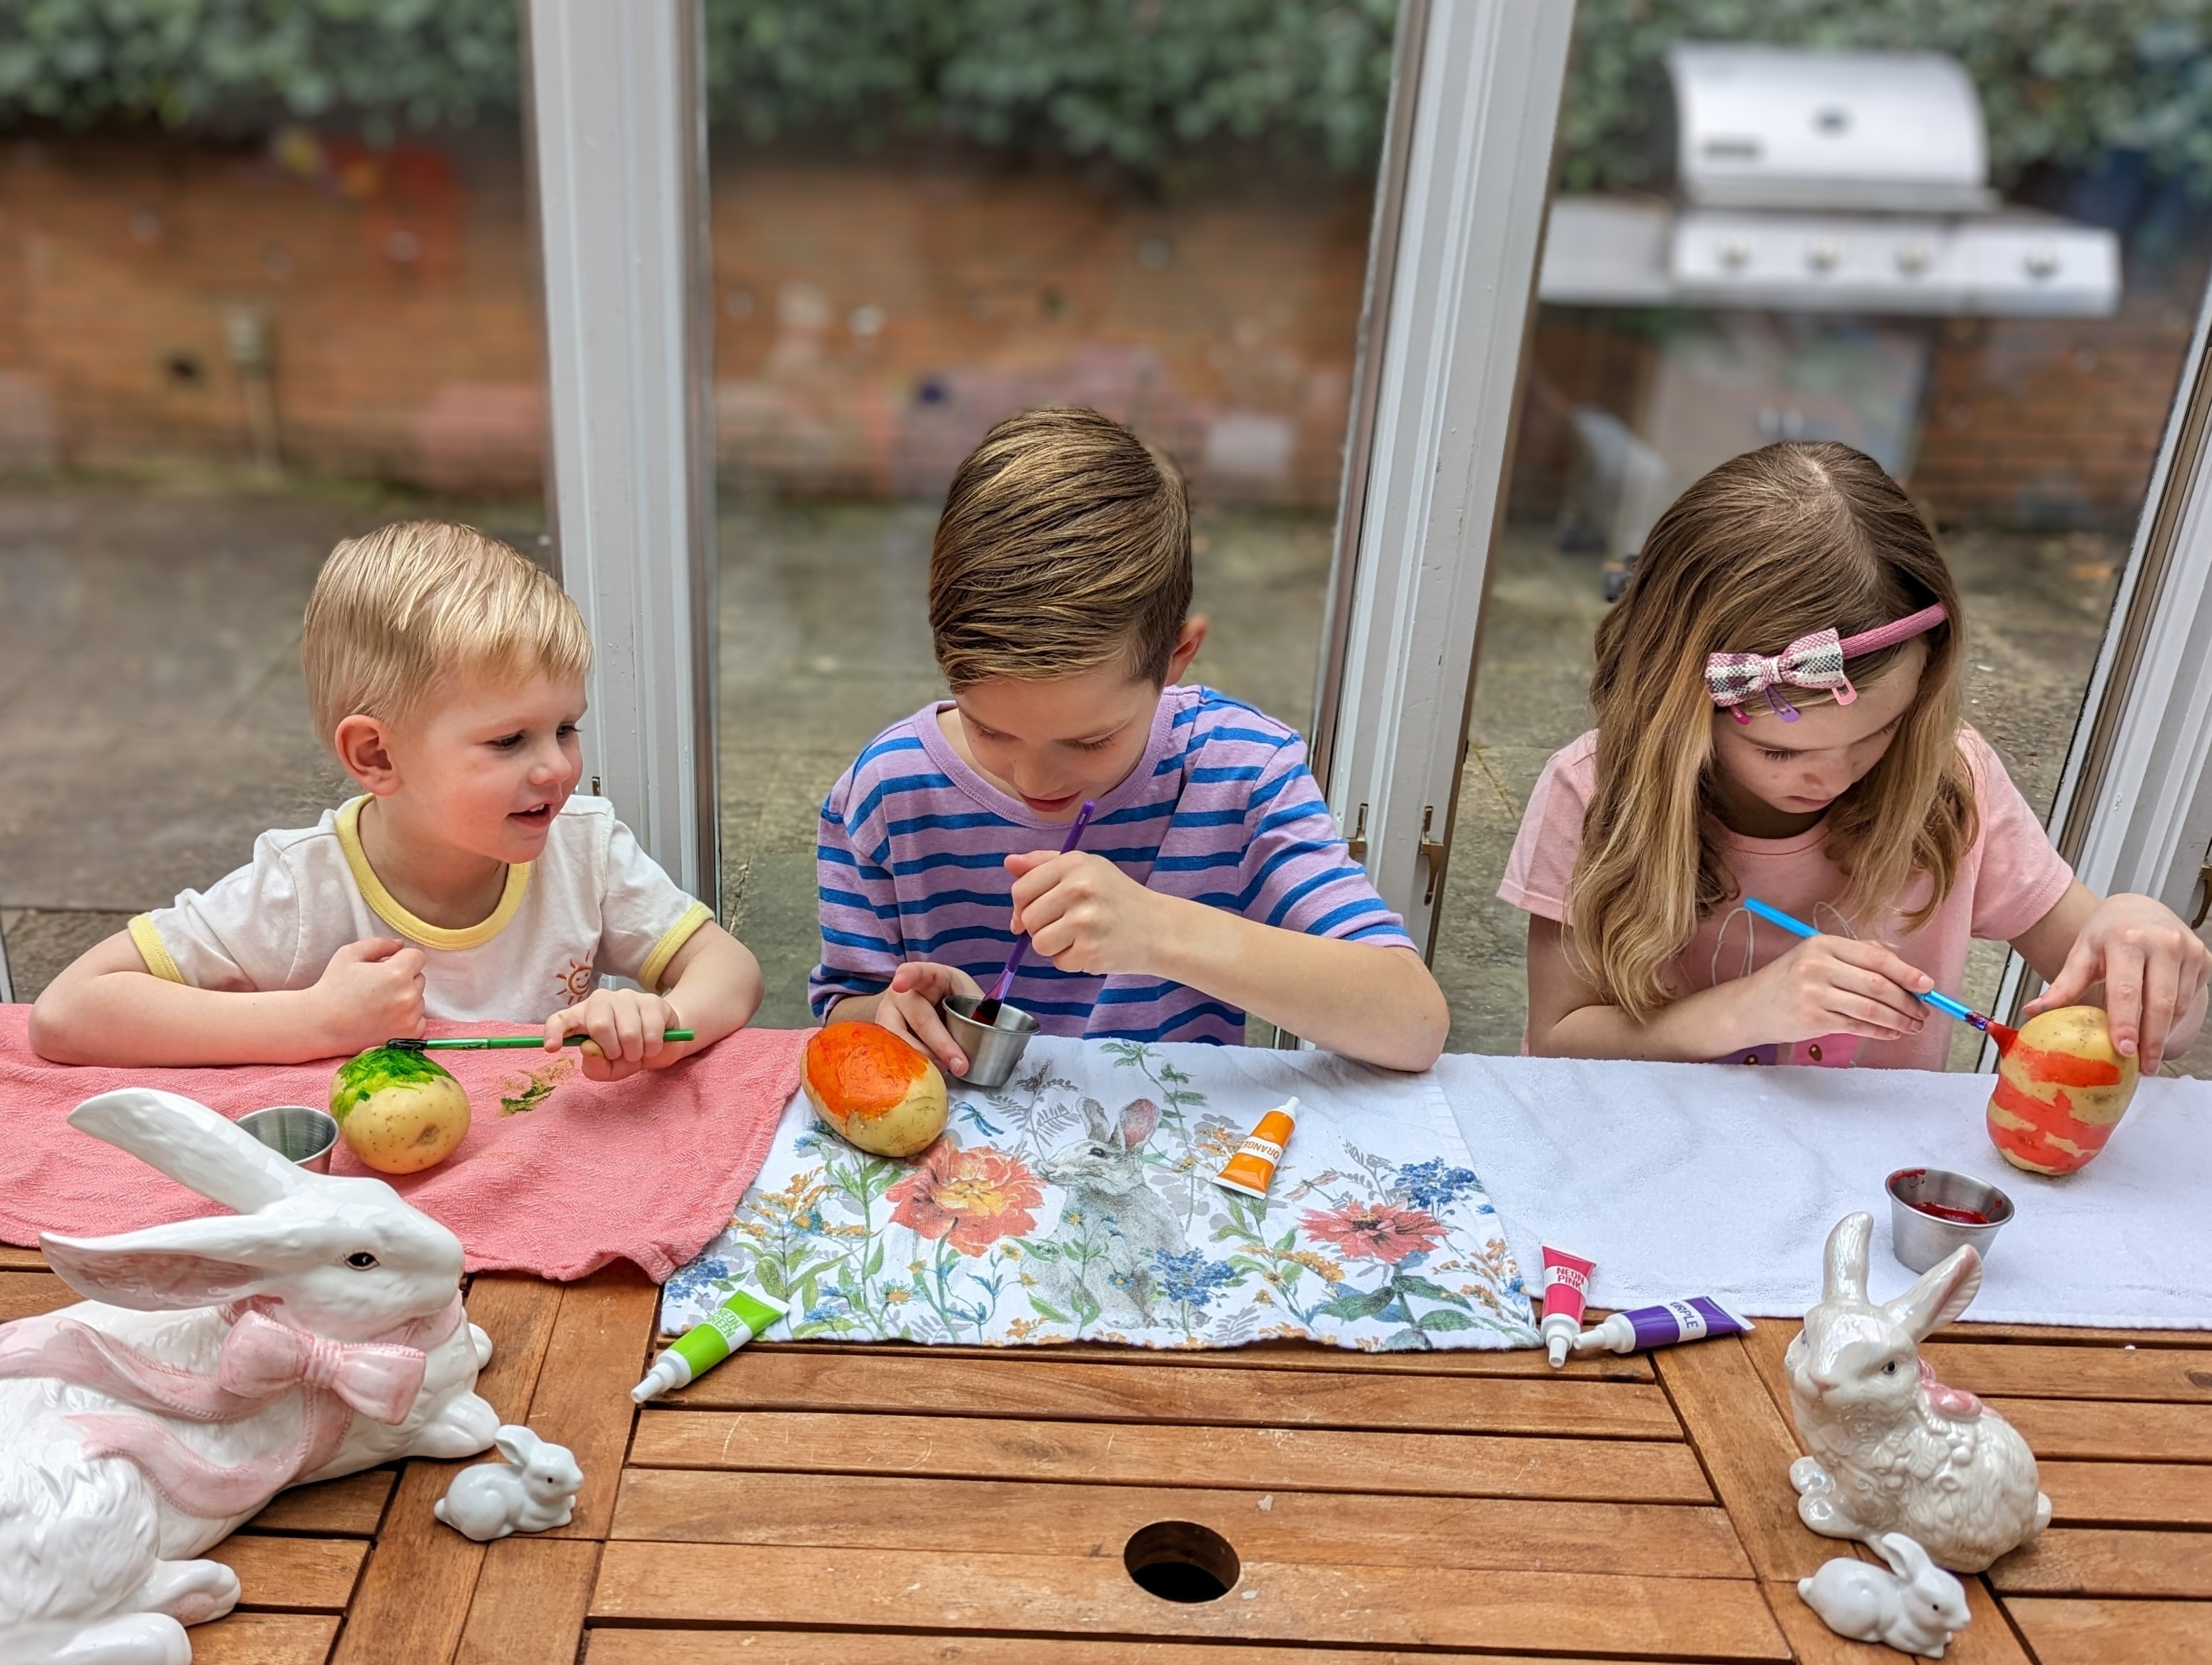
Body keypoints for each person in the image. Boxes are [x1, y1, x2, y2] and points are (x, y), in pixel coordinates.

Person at [1501, 441, 2209, 1070]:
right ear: (1675, 705)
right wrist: (1739, 1011)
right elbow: (1560, 1038)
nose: (1833, 775)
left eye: (1880, 731)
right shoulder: (1593, 791)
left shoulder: (1947, 784)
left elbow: (2149, 1030)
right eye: (1777, 748)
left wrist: (2144, 957)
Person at [812, 406, 1449, 1073]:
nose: (1035, 780)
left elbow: (1411, 1023)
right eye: (990, 728)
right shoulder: (887, 794)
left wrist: (1161, 933)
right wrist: (898, 1012)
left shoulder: (1241, 773)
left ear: (1177, 657)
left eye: (1090, 741)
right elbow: (843, 1008)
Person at [31, 521, 763, 1079]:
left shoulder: (584, 848)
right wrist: (314, 1020)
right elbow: (68, 1014)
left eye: (564, 728)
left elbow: (730, 971)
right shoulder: (301, 887)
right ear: (377, 756)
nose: (557, 768)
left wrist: (661, 1020)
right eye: (509, 740)